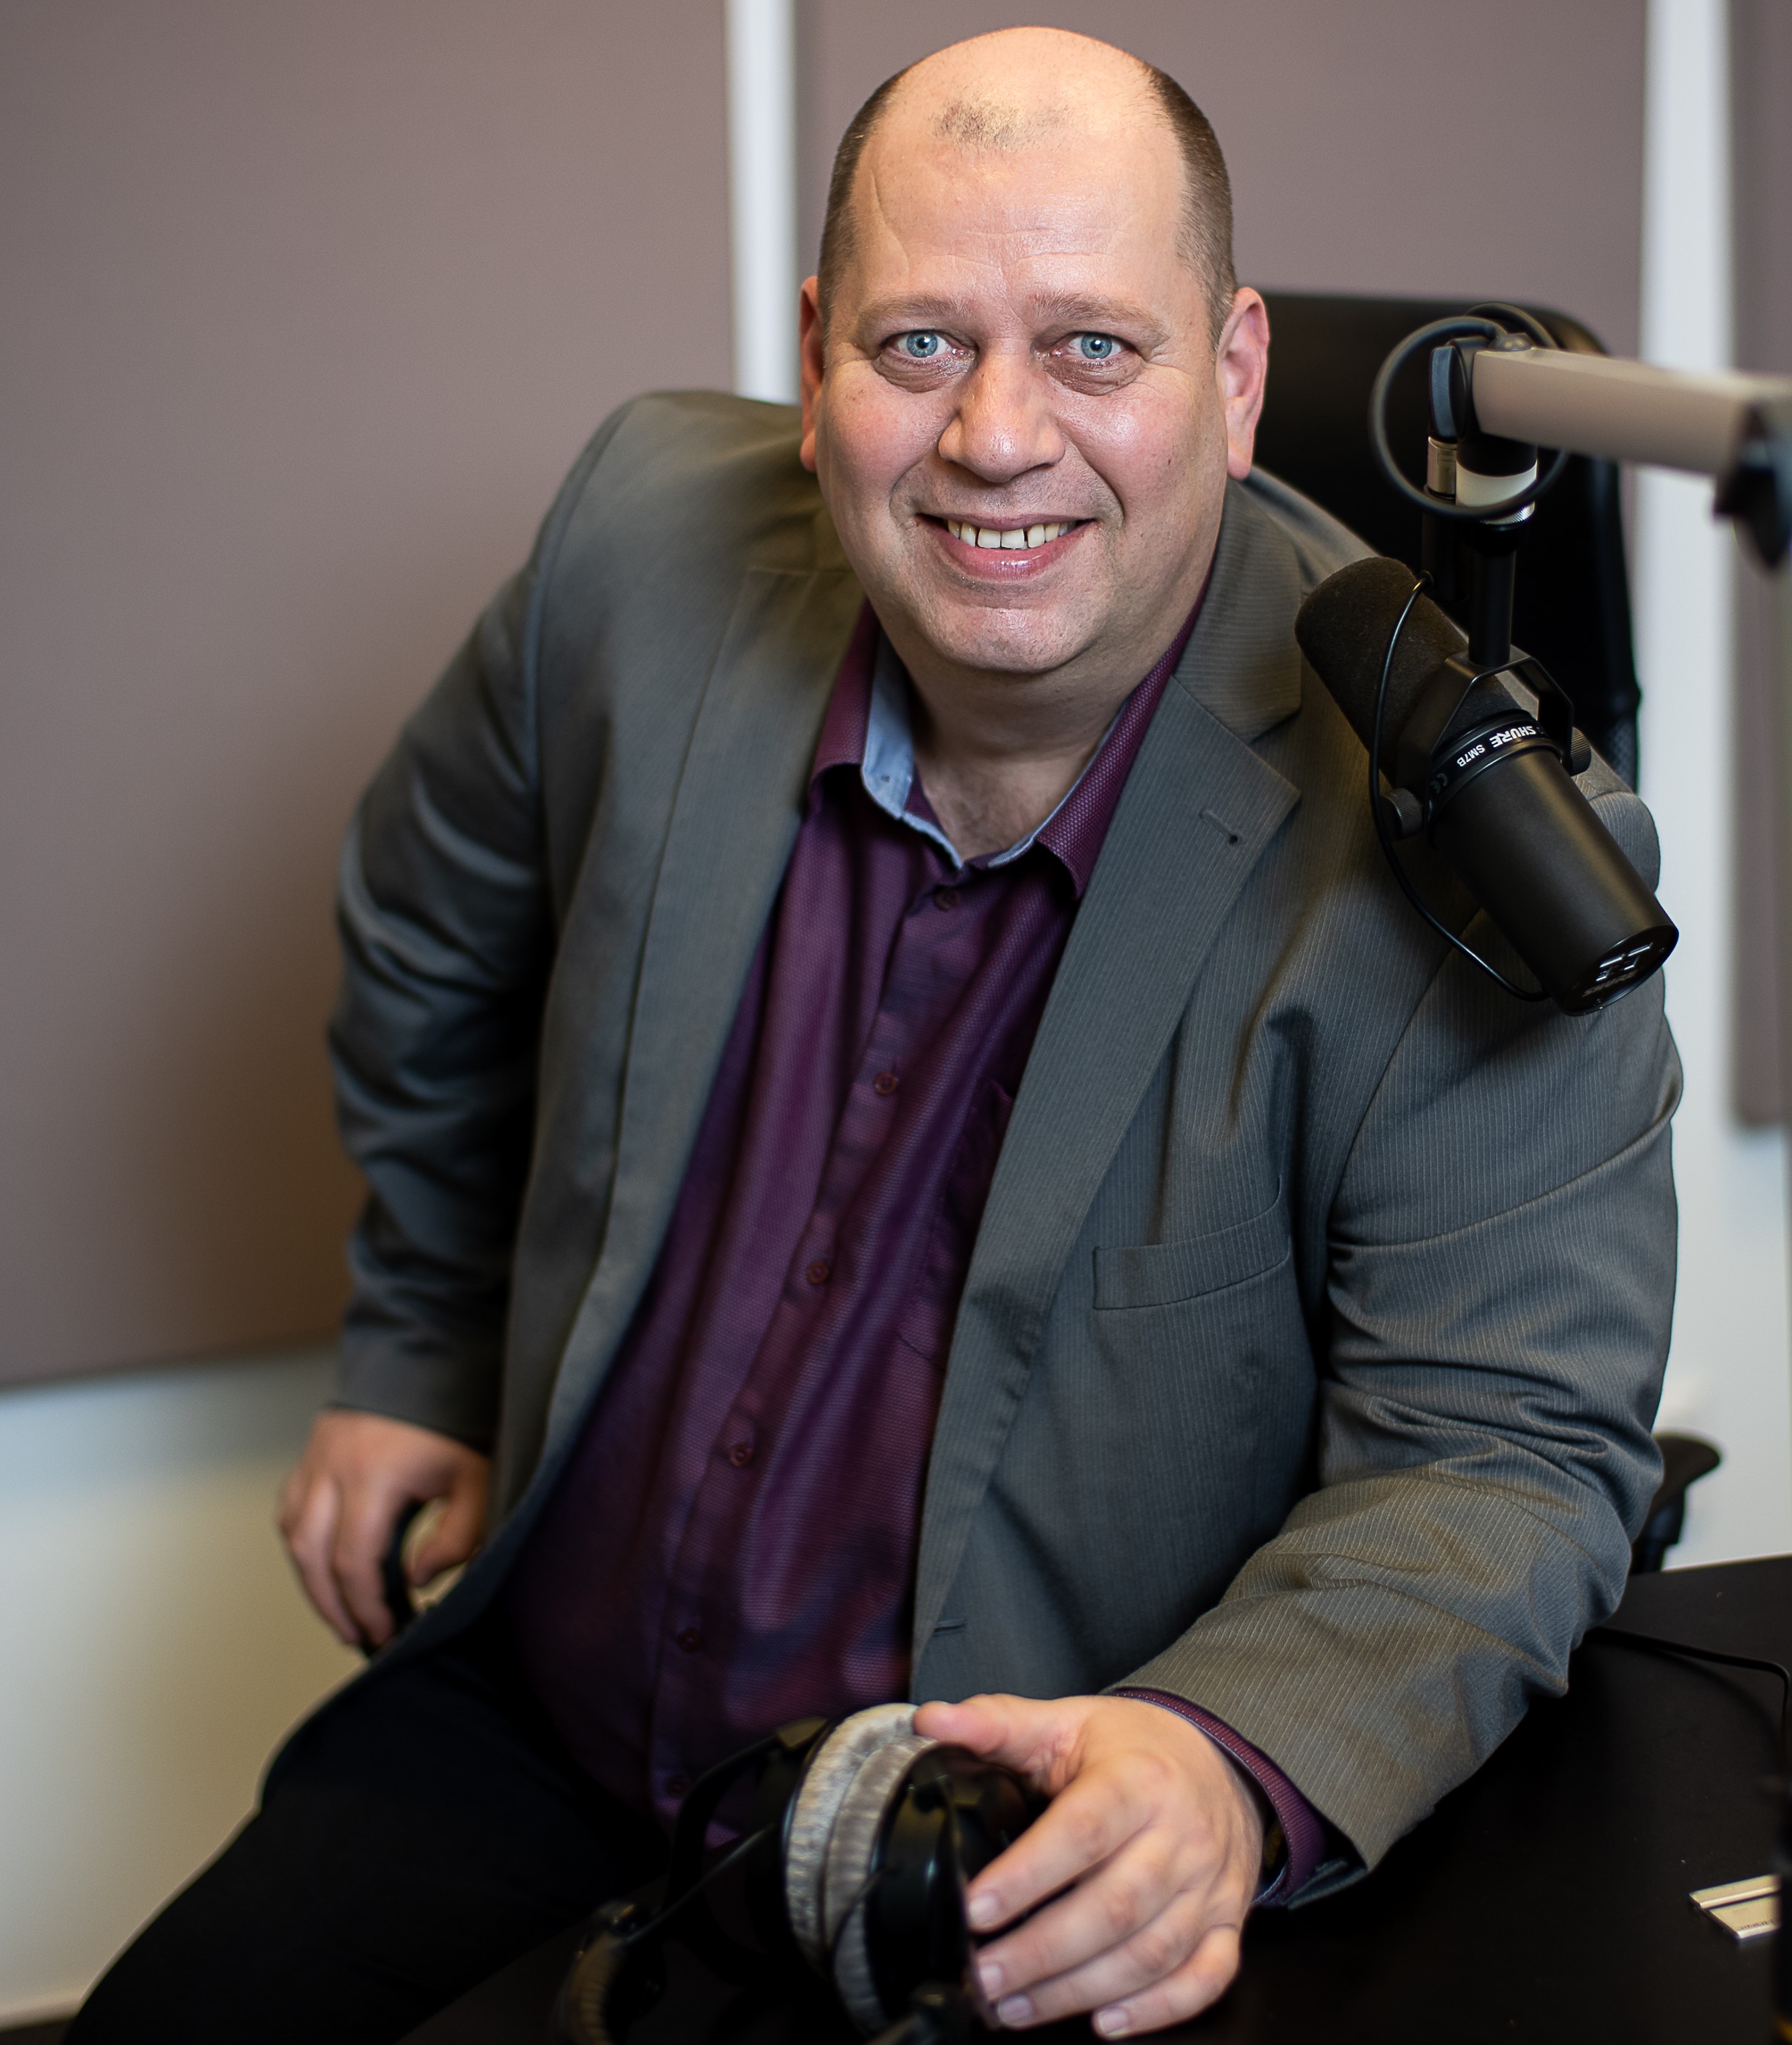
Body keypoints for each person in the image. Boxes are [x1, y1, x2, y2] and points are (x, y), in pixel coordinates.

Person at [71, 25, 1678, 2045]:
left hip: (977, 1834)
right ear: (818, 347)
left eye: (1093, 348)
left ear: (1236, 370)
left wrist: (1224, 1759)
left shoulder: (1478, 857)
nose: (999, 437)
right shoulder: (641, 549)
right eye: (922, 344)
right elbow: (429, 926)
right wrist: (424, 1345)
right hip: (543, 1710)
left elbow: (1507, 1448)